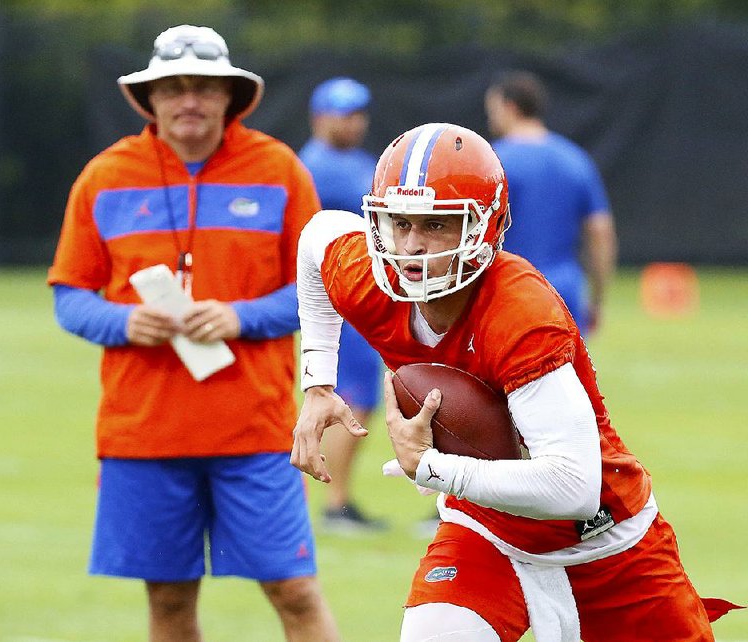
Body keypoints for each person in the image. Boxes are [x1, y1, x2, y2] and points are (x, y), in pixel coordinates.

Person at [290, 123, 740, 640]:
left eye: (436, 225)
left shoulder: (518, 310)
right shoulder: (370, 280)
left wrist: (431, 467)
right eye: (399, 222)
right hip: (487, 532)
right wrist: (318, 383)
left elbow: (573, 487)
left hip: (604, 542)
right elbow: (315, 237)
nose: (412, 248)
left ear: (484, 228)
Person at [47, 25, 339, 642]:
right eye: (173, 88)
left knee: (296, 591)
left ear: (230, 97)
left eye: (205, 87)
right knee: (170, 603)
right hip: (145, 431)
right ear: (148, 99)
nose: (189, 101)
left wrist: (242, 316)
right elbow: (70, 297)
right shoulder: (104, 177)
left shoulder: (279, 169)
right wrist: (126, 321)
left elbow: (322, 288)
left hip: (255, 429)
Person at [298, 77, 387, 534]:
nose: (351, 123)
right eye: (341, 114)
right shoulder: (311, 167)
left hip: (365, 296)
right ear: (319, 118)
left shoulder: (360, 162)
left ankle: (340, 500)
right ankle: (335, 503)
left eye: (357, 113)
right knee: (348, 397)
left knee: (361, 398)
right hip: (339, 301)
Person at [485, 70, 617, 336]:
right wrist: (598, 298)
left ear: (510, 107)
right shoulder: (576, 160)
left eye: (492, 110)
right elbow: (600, 232)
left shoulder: (490, 161)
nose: (489, 118)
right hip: (563, 292)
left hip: (506, 289)